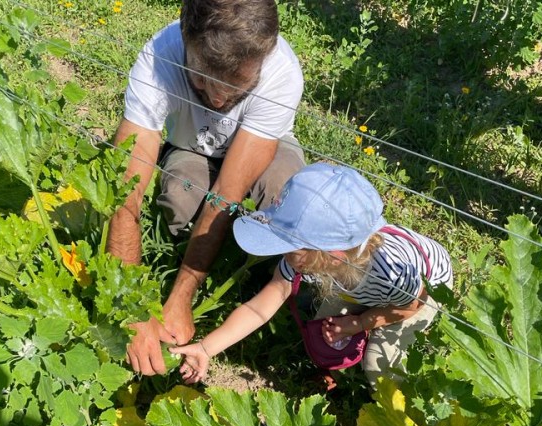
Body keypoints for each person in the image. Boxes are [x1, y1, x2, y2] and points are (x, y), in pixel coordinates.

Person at [107, 0, 305, 376]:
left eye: (237, 87)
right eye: (200, 80)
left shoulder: (281, 73)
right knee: (181, 203)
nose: (216, 99)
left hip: (262, 145)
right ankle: (226, 259)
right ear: (186, 42)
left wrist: (183, 295)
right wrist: (130, 304)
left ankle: (278, 285)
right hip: (192, 146)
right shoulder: (159, 57)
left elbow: (227, 194)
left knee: (284, 193)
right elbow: (123, 188)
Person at [170, 162, 453, 388]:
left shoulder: (392, 269)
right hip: (361, 286)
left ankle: (402, 424)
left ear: (331, 256)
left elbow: (411, 305)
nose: (284, 256)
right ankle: (338, 370)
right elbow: (259, 308)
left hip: (422, 293)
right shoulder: (311, 258)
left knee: (379, 365)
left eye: (290, 249)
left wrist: (361, 322)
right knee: (324, 330)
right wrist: (206, 349)